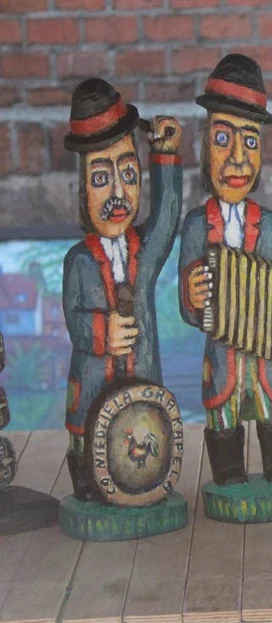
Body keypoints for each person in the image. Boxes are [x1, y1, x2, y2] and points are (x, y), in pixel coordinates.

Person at [179, 54, 272, 486]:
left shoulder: (266, 223)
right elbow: (187, 308)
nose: (237, 158)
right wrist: (192, 295)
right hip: (222, 362)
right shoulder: (197, 225)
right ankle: (228, 476)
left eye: (250, 142)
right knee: (224, 428)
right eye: (222, 139)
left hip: (267, 364)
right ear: (204, 146)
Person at [62, 78, 183, 500]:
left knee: (146, 446)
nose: (118, 193)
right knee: (85, 440)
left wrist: (165, 154)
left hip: (142, 382)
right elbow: (74, 320)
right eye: (101, 178)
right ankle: (86, 488)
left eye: (129, 174)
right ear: (82, 188)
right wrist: (102, 331)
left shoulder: (143, 253)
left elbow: (166, 217)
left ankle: (146, 486)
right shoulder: (79, 262)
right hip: (94, 382)